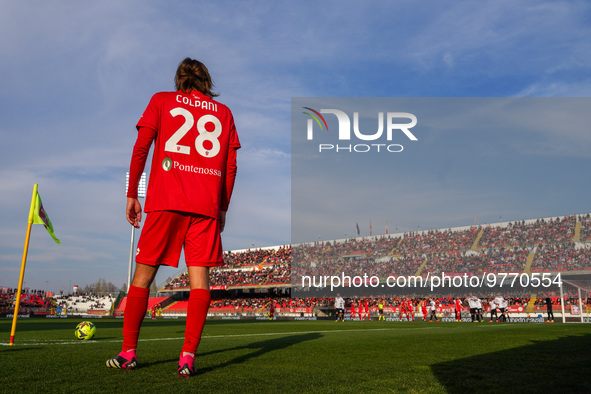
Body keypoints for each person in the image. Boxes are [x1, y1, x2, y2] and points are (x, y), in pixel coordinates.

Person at [106, 58, 240, 378]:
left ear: (180, 79)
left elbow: (142, 146)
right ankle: (187, 358)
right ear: (207, 81)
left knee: (142, 278)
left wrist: (132, 194)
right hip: (205, 206)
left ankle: (128, 353)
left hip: (167, 200)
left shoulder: (162, 100)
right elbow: (230, 166)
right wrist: (222, 208)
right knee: (200, 284)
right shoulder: (224, 113)